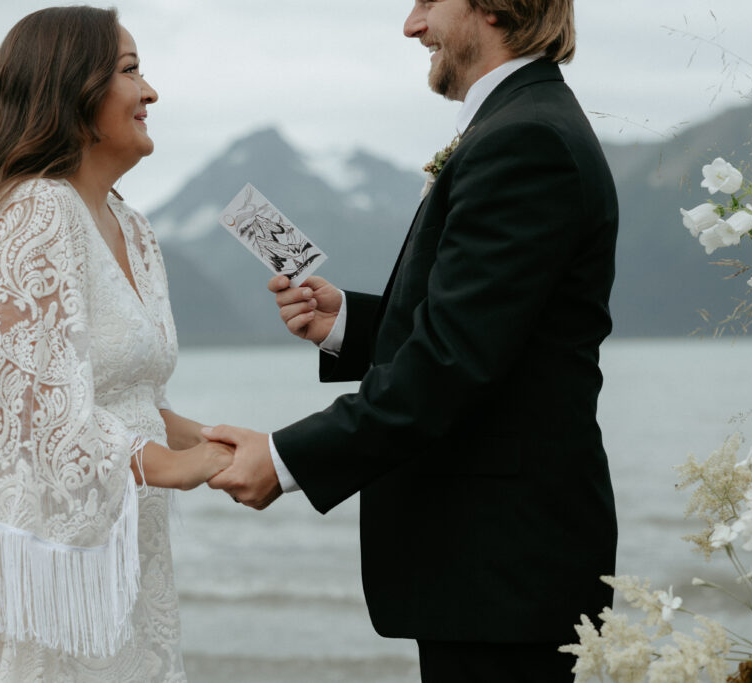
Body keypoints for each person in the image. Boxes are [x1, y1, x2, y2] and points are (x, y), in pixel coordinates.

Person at [203, 0, 618, 680]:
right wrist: (345, 323)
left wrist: (283, 458)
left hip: (503, 573)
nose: (411, 25)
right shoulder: (516, 124)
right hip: (494, 574)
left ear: (492, 5)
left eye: (427, 1)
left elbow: (449, 364)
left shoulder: (525, 141)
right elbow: (486, 335)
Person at [0, 7, 231, 682]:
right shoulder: (36, 211)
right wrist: (181, 467)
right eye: (132, 71)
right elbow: (43, 416)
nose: (151, 92)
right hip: (52, 583)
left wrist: (222, 442)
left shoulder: (132, 228)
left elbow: (134, 400)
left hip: (127, 563)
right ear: (73, 92)